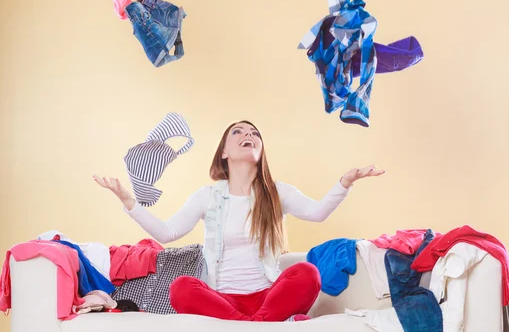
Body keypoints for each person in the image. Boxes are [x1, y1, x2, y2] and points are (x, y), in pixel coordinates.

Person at [94, 120, 384, 321]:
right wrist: (128, 201)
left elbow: (317, 213)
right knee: (181, 287)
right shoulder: (207, 196)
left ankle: (247, 324)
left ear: (260, 150)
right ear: (224, 152)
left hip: (267, 296)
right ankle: (258, 326)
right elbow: (168, 232)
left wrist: (345, 182)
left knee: (308, 273)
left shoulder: (277, 192)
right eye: (238, 132)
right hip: (223, 299)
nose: (249, 134)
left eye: (254, 133)